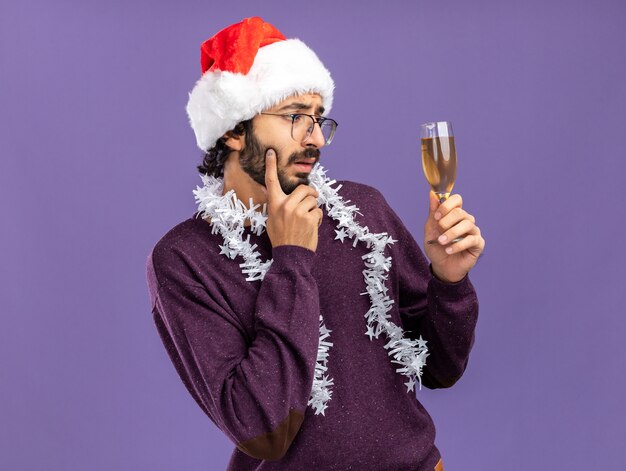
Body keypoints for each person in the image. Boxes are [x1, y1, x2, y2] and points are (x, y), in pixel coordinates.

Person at [145, 16, 485, 471]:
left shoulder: (363, 209)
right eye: (295, 117)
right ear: (233, 128)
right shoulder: (184, 260)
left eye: (319, 118)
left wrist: (448, 281)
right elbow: (261, 427)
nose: (317, 138)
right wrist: (291, 258)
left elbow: (441, 369)